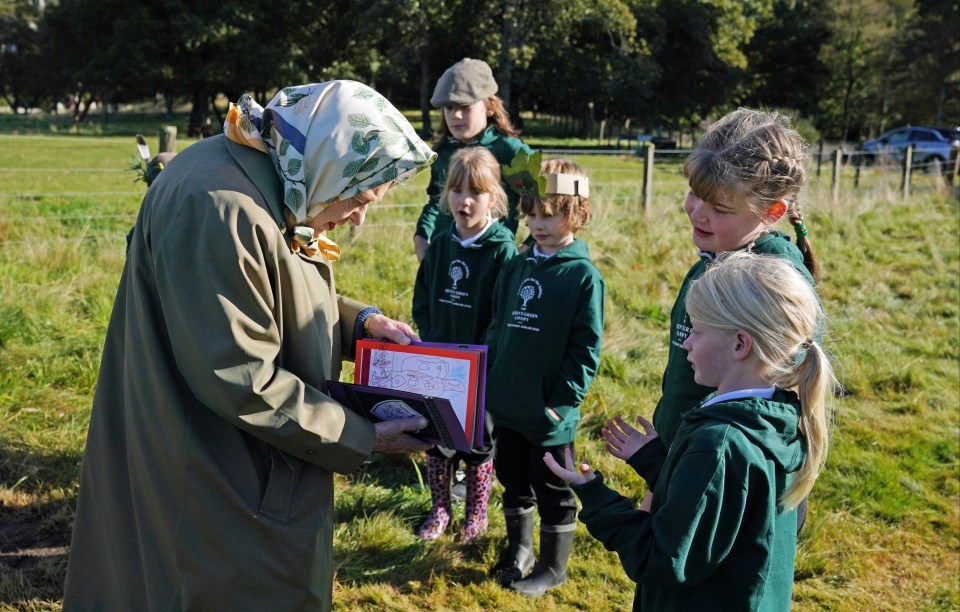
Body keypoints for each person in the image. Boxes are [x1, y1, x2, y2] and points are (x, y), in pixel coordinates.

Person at [63, 81, 437, 611]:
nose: (358, 217)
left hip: (233, 453)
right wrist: (359, 434)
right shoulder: (223, 208)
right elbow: (240, 376)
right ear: (329, 158)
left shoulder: (277, 174)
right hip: (215, 469)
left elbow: (277, 279)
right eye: (358, 197)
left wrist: (362, 323)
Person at [545, 251, 837, 610]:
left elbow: (663, 557)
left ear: (739, 345)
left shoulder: (720, 444)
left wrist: (596, 497)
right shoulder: (780, 419)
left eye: (697, 331)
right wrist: (656, 461)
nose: (686, 343)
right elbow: (731, 507)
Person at [606, 109, 821, 514]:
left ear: (772, 212)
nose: (696, 212)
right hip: (683, 459)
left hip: (723, 478)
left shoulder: (771, 280)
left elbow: (777, 402)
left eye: (720, 208)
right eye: (694, 193)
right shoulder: (714, 258)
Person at [484, 158, 604, 596]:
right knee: (512, 476)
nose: (538, 223)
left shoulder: (582, 277)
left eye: (549, 214)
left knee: (552, 486)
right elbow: (498, 324)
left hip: (550, 412)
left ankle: (554, 567)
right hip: (507, 403)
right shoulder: (516, 265)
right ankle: (520, 552)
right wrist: (491, 380)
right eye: (531, 214)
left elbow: (585, 350)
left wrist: (562, 402)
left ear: (576, 213)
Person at [411, 147, 518, 542]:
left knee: (477, 442)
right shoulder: (440, 244)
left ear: (494, 197)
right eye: (456, 191)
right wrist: (432, 338)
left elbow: (501, 313)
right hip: (439, 363)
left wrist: (475, 358)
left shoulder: (502, 251)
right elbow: (422, 297)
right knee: (437, 438)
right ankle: (439, 510)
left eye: (475, 192)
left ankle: (476, 515)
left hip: (480, 370)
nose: (464, 200)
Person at [413, 57, 532, 262]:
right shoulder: (442, 151)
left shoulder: (511, 151)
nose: (455, 115)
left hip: (491, 264)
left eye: (465, 106)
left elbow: (545, 206)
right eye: (449, 107)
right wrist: (421, 237)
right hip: (445, 258)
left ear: (490, 107)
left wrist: (522, 253)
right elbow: (435, 201)